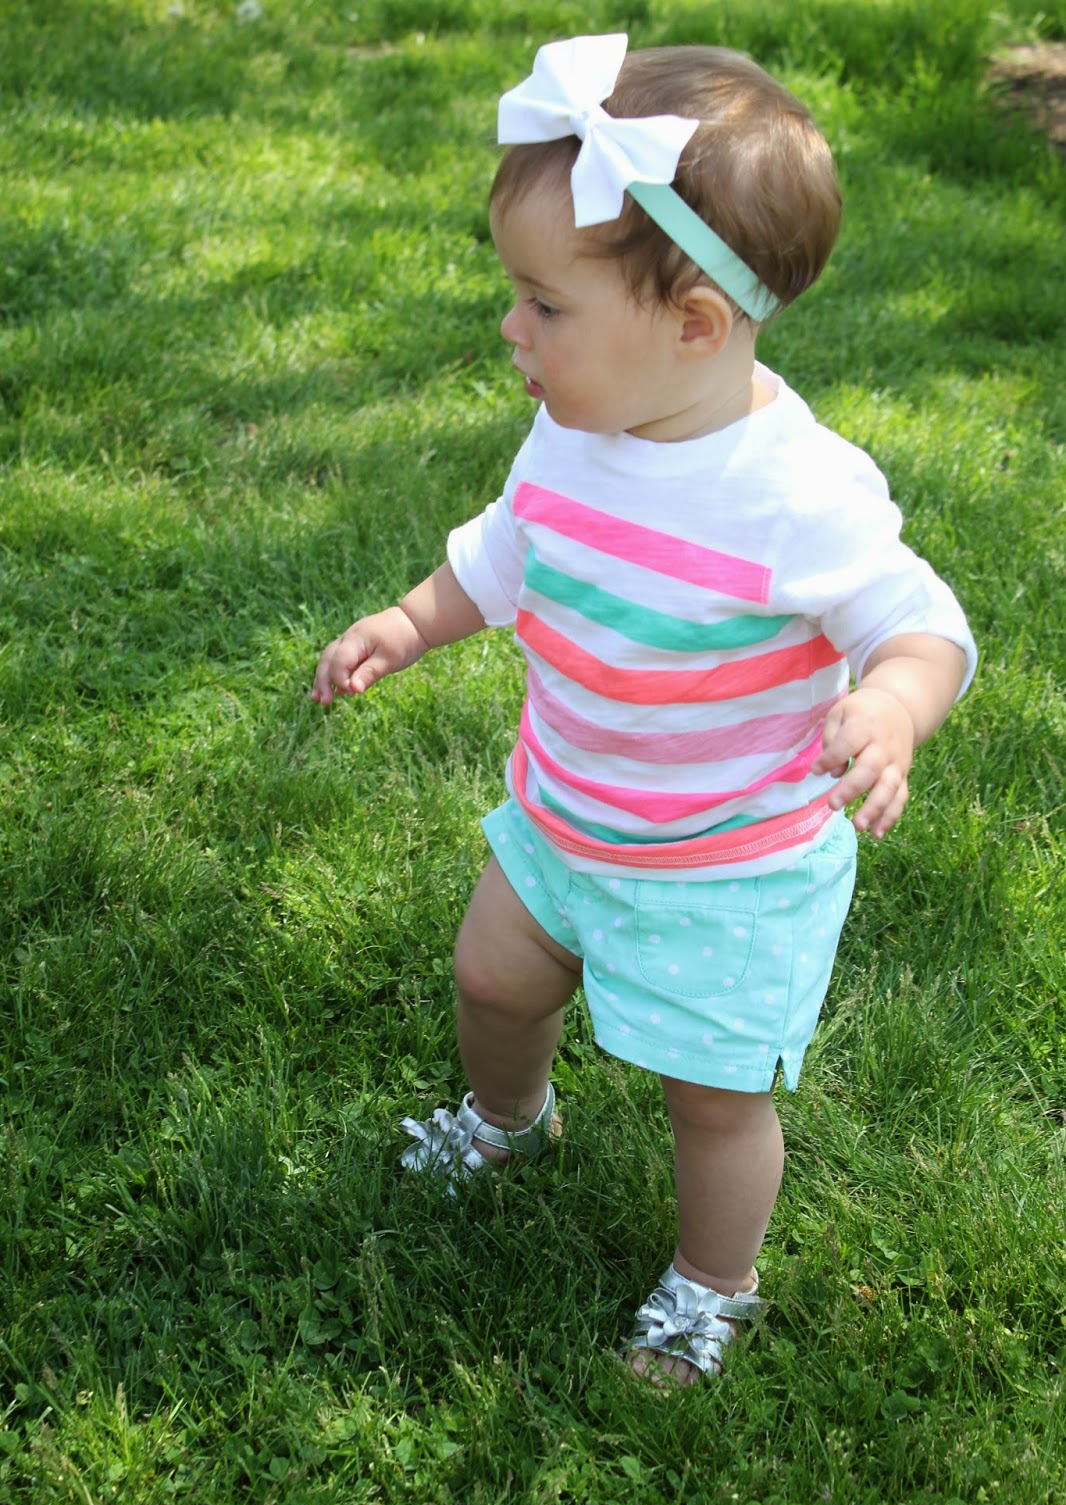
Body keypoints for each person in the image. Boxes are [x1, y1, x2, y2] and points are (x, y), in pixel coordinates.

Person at [312, 35, 977, 1384]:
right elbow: (510, 552)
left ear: (694, 327)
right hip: (564, 815)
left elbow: (926, 628)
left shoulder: (795, 495)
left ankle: (710, 1284)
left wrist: (896, 705)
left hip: (725, 868)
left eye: (544, 305)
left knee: (711, 1101)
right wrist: (410, 621)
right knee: (492, 978)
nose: (511, 329)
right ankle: (508, 1121)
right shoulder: (571, 429)